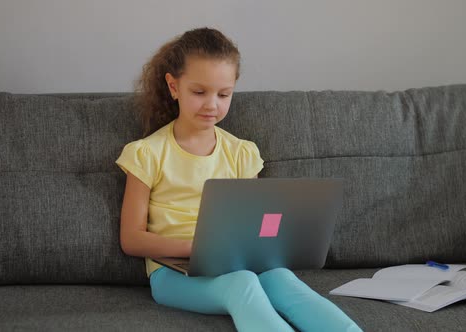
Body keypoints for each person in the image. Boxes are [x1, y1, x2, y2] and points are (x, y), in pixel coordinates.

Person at [116, 27, 362, 332]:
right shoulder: (146, 154)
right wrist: (195, 248)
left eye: (223, 94)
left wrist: (275, 240)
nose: (212, 105)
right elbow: (131, 239)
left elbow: (256, 226)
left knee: (281, 277)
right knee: (242, 284)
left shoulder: (242, 153)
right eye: (199, 92)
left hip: (236, 262)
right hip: (172, 274)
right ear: (173, 86)